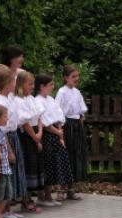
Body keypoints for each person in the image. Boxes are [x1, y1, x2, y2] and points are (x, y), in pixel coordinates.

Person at [0, 66, 27, 218]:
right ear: (7, 84)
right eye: (13, 81)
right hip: (7, 138)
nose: (15, 84)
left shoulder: (9, 99)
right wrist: (10, 151)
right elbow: (1, 129)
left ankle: (8, 208)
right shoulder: (0, 101)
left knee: (13, 173)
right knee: (7, 174)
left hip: (14, 135)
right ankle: (3, 210)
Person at [35, 73, 73, 205]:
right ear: (42, 86)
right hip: (47, 136)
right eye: (50, 85)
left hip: (56, 135)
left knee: (55, 165)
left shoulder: (50, 100)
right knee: (47, 166)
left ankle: (49, 196)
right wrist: (58, 132)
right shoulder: (38, 100)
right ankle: (44, 197)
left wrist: (60, 131)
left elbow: (59, 116)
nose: (53, 87)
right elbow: (45, 122)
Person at [14, 71, 47, 208]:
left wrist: (39, 132)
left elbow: (39, 116)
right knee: (27, 165)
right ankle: (25, 198)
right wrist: (35, 138)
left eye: (33, 83)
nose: (33, 86)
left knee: (35, 164)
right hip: (26, 136)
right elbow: (24, 122)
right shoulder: (18, 100)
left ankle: (31, 196)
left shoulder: (31, 99)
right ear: (21, 84)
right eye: (30, 84)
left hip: (36, 133)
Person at [55, 65, 88, 200]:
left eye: (77, 76)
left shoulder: (77, 92)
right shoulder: (61, 92)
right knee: (66, 156)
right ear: (65, 78)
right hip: (66, 125)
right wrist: (59, 129)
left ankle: (71, 188)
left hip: (76, 126)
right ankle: (60, 189)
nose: (76, 79)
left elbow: (81, 112)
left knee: (75, 156)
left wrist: (81, 126)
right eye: (73, 76)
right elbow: (57, 112)